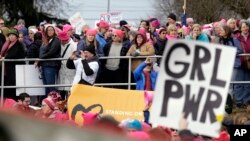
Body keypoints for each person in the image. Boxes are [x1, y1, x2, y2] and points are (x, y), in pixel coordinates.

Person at [0, 28, 25, 100]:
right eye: (10, 35)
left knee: (12, 87)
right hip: (7, 69)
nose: (11, 37)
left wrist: (5, 57)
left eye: (13, 35)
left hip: (14, 69)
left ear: (16, 36)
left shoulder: (19, 45)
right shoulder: (7, 44)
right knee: (7, 87)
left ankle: (13, 102)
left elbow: (14, 54)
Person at [39, 24, 61, 96]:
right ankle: (48, 102)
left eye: (51, 30)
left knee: (51, 86)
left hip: (51, 65)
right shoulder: (47, 40)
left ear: (54, 31)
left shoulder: (56, 40)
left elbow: (52, 52)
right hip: (45, 65)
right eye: (48, 30)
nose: (50, 31)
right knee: (46, 86)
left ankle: (54, 101)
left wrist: (41, 58)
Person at [57, 31, 77, 99]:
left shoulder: (73, 45)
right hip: (61, 68)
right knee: (61, 87)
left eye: (64, 40)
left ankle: (69, 103)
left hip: (70, 68)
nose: (63, 41)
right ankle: (62, 103)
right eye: (62, 40)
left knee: (69, 88)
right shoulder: (58, 44)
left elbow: (75, 55)